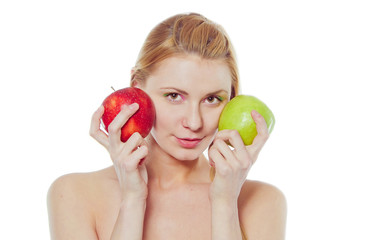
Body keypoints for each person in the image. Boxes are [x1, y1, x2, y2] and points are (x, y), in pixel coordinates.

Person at [47, 13, 287, 240]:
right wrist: (132, 200)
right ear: (136, 88)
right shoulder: (74, 194)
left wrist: (225, 204)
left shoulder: (262, 202)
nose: (194, 123)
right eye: (174, 96)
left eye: (212, 99)